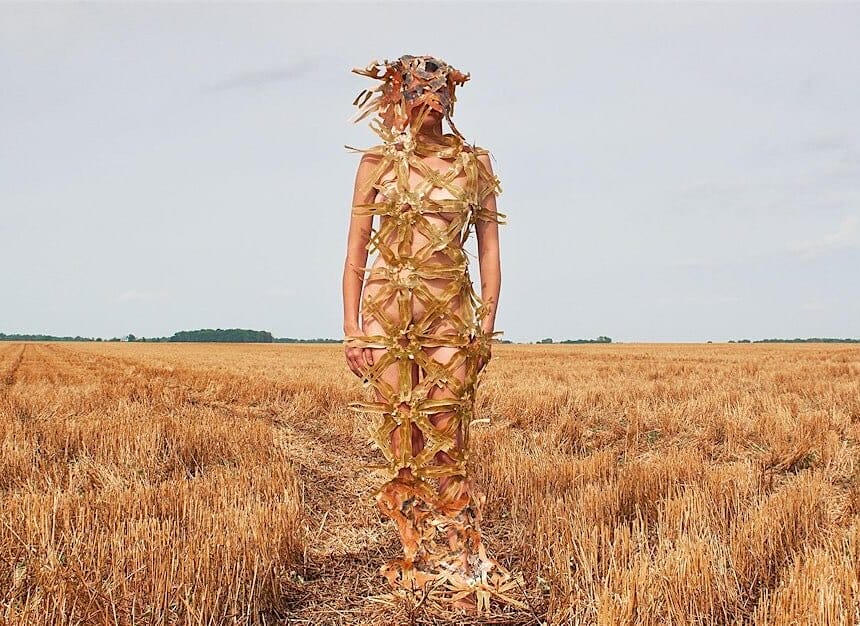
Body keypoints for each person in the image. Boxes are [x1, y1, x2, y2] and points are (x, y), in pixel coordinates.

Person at [341, 54, 525, 615]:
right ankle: (415, 552)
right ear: (396, 94)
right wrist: (352, 329)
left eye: (438, 92)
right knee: (403, 438)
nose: (429, 102)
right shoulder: (376, 161)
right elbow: (354, 254)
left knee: (447, 428)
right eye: (416, 91)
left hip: (450, 313)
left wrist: (486, 324)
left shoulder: (476, 163)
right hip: (386, 312)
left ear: (451, 98)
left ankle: (458, 550)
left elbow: (490, 249)